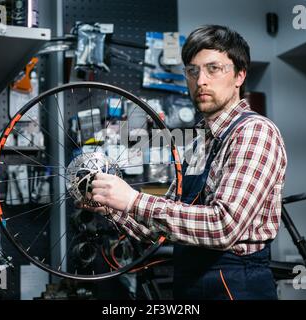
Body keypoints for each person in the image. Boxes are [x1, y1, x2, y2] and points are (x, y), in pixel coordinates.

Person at [89, 25, 287, 300]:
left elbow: (223, 226)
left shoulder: (254, 132)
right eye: (193, 71)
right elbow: (157, 229)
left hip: (235, 284)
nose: (201, 80)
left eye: (213, 69)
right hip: (190, 281)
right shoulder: (198, 144)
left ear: (240, 75)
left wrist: (133, 200)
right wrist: (109, 205)